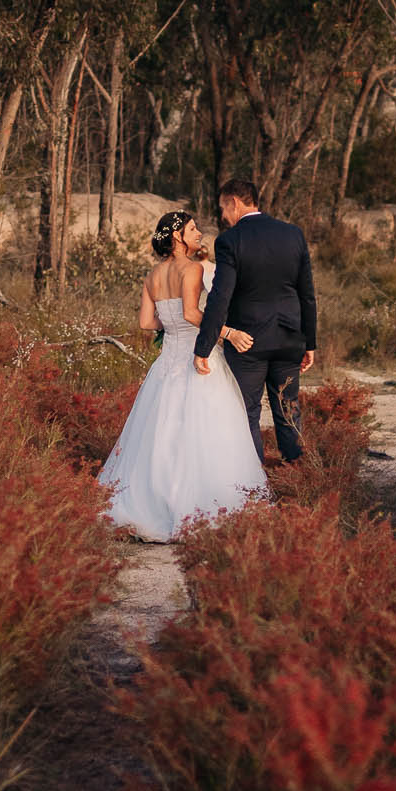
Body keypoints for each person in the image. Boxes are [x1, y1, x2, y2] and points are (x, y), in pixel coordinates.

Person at [98, 209, 267, 542]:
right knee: (210, 430)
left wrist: (171, 322)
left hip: (166, 364)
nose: (199, 233)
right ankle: (200, 506)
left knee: (161, 433)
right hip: (196, 359)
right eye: (193, 229)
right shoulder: (192, 269)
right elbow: (192, 313)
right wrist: (228, 333)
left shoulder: (152, 276)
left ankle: (153, 502)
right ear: (177, 236)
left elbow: (147, 323)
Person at [193, 176, 317, 464]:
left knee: (245, 412)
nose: (223, 216)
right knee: (288, 409)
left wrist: (203, 347)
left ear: (235, 203)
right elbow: (307, 294)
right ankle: (299, 475)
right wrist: (309, 342)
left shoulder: (229, 241)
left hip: (248, 343)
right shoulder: (293, 234)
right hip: (289, 339)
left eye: (223, 208)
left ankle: (253, 486)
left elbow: (220, 298)